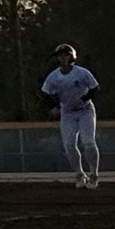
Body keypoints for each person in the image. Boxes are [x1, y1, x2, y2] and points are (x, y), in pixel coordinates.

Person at [42, 43, 101, 189]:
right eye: (60, 56)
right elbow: (46, 93)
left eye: (65, 55)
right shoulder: (54, 76)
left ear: (71, 57)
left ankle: (94, 174)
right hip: (67, 112)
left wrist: (84, 99)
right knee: (69, 144)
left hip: (85, 110)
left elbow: (95, 88)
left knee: (88, 142)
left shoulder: (81, 73)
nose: (62, 58)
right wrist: (53, 107)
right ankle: (80, 174)